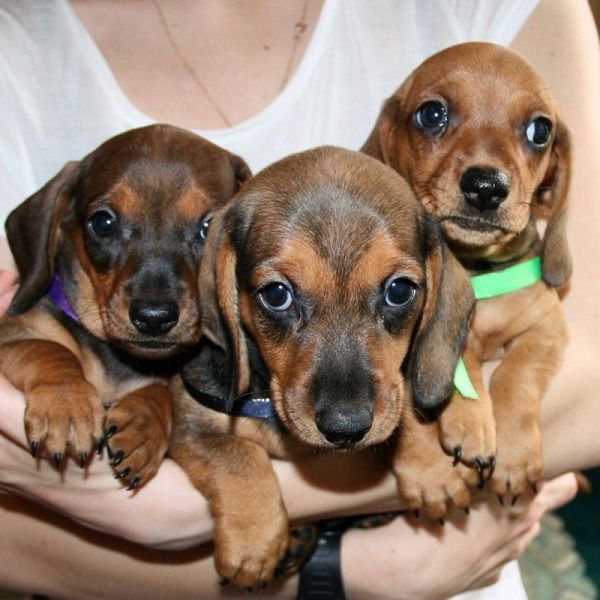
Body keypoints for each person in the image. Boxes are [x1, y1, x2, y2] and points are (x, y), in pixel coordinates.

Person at [0, 0, 598, 598]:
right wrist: (349, 568)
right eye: (279, 294)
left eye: (397, 291)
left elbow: (589, 398)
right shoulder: (18, 50)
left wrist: (174, 512)